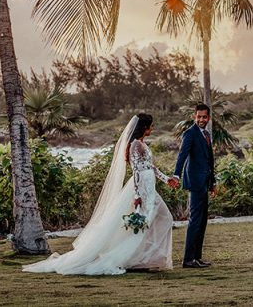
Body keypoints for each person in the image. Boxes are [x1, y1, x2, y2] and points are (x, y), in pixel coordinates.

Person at [22, 113, 179, 275]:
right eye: (151, 126)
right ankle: (132, 259)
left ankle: (141, 258)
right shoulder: (135, 145)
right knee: (149, 222)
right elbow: (137, 171)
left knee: (155, 220)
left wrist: (167, 179)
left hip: (149, 186)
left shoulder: (141, 144)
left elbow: (150, 167)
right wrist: (137, 195)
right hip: (141, 188)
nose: (152, 129)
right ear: (144, 128)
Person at [173, 103, 216, 268]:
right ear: (194, 117)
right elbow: (182, 156)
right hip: (195, 183)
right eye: (199, 117)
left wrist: (213, 183)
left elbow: (209, 161)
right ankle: (188, 259)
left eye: (204, 117)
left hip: (205, 183)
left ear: (208, 118)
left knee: (202, 221)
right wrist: (176, 175)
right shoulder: (189, 133)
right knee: (195, 220)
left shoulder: (206, 134)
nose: (201, 120)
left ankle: (197, 257)